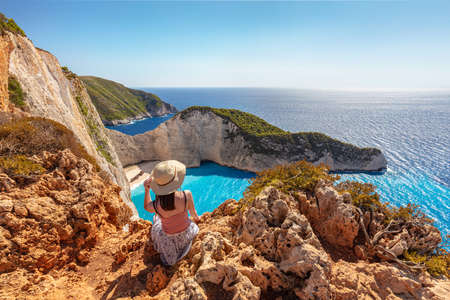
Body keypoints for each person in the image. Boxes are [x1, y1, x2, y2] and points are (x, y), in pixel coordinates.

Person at [143, 160, 200, 266]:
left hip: (169, 242)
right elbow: (194, 214)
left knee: (156, 219)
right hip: (187, 234)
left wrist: (146, 190)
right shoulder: (186, 195)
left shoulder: (157, 205)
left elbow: (146, 206)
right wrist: (198, 220)